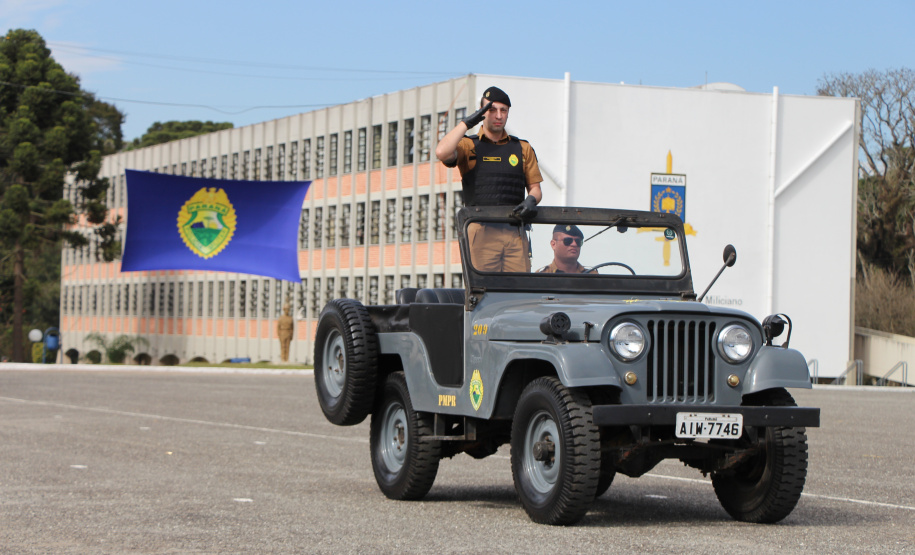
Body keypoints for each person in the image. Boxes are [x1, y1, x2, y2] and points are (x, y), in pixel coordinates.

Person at [435, 86, 543, 272]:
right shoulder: (468, 145)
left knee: (520, 290)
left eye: (503, 110)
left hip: (514, 231)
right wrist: (465, 124)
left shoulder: (522, 148)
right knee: (484, 291)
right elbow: (442, 152)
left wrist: (531, 199)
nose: (498, 116)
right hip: (481, 231)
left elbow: (536, 189)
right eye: (491, 110)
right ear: (482, 113)